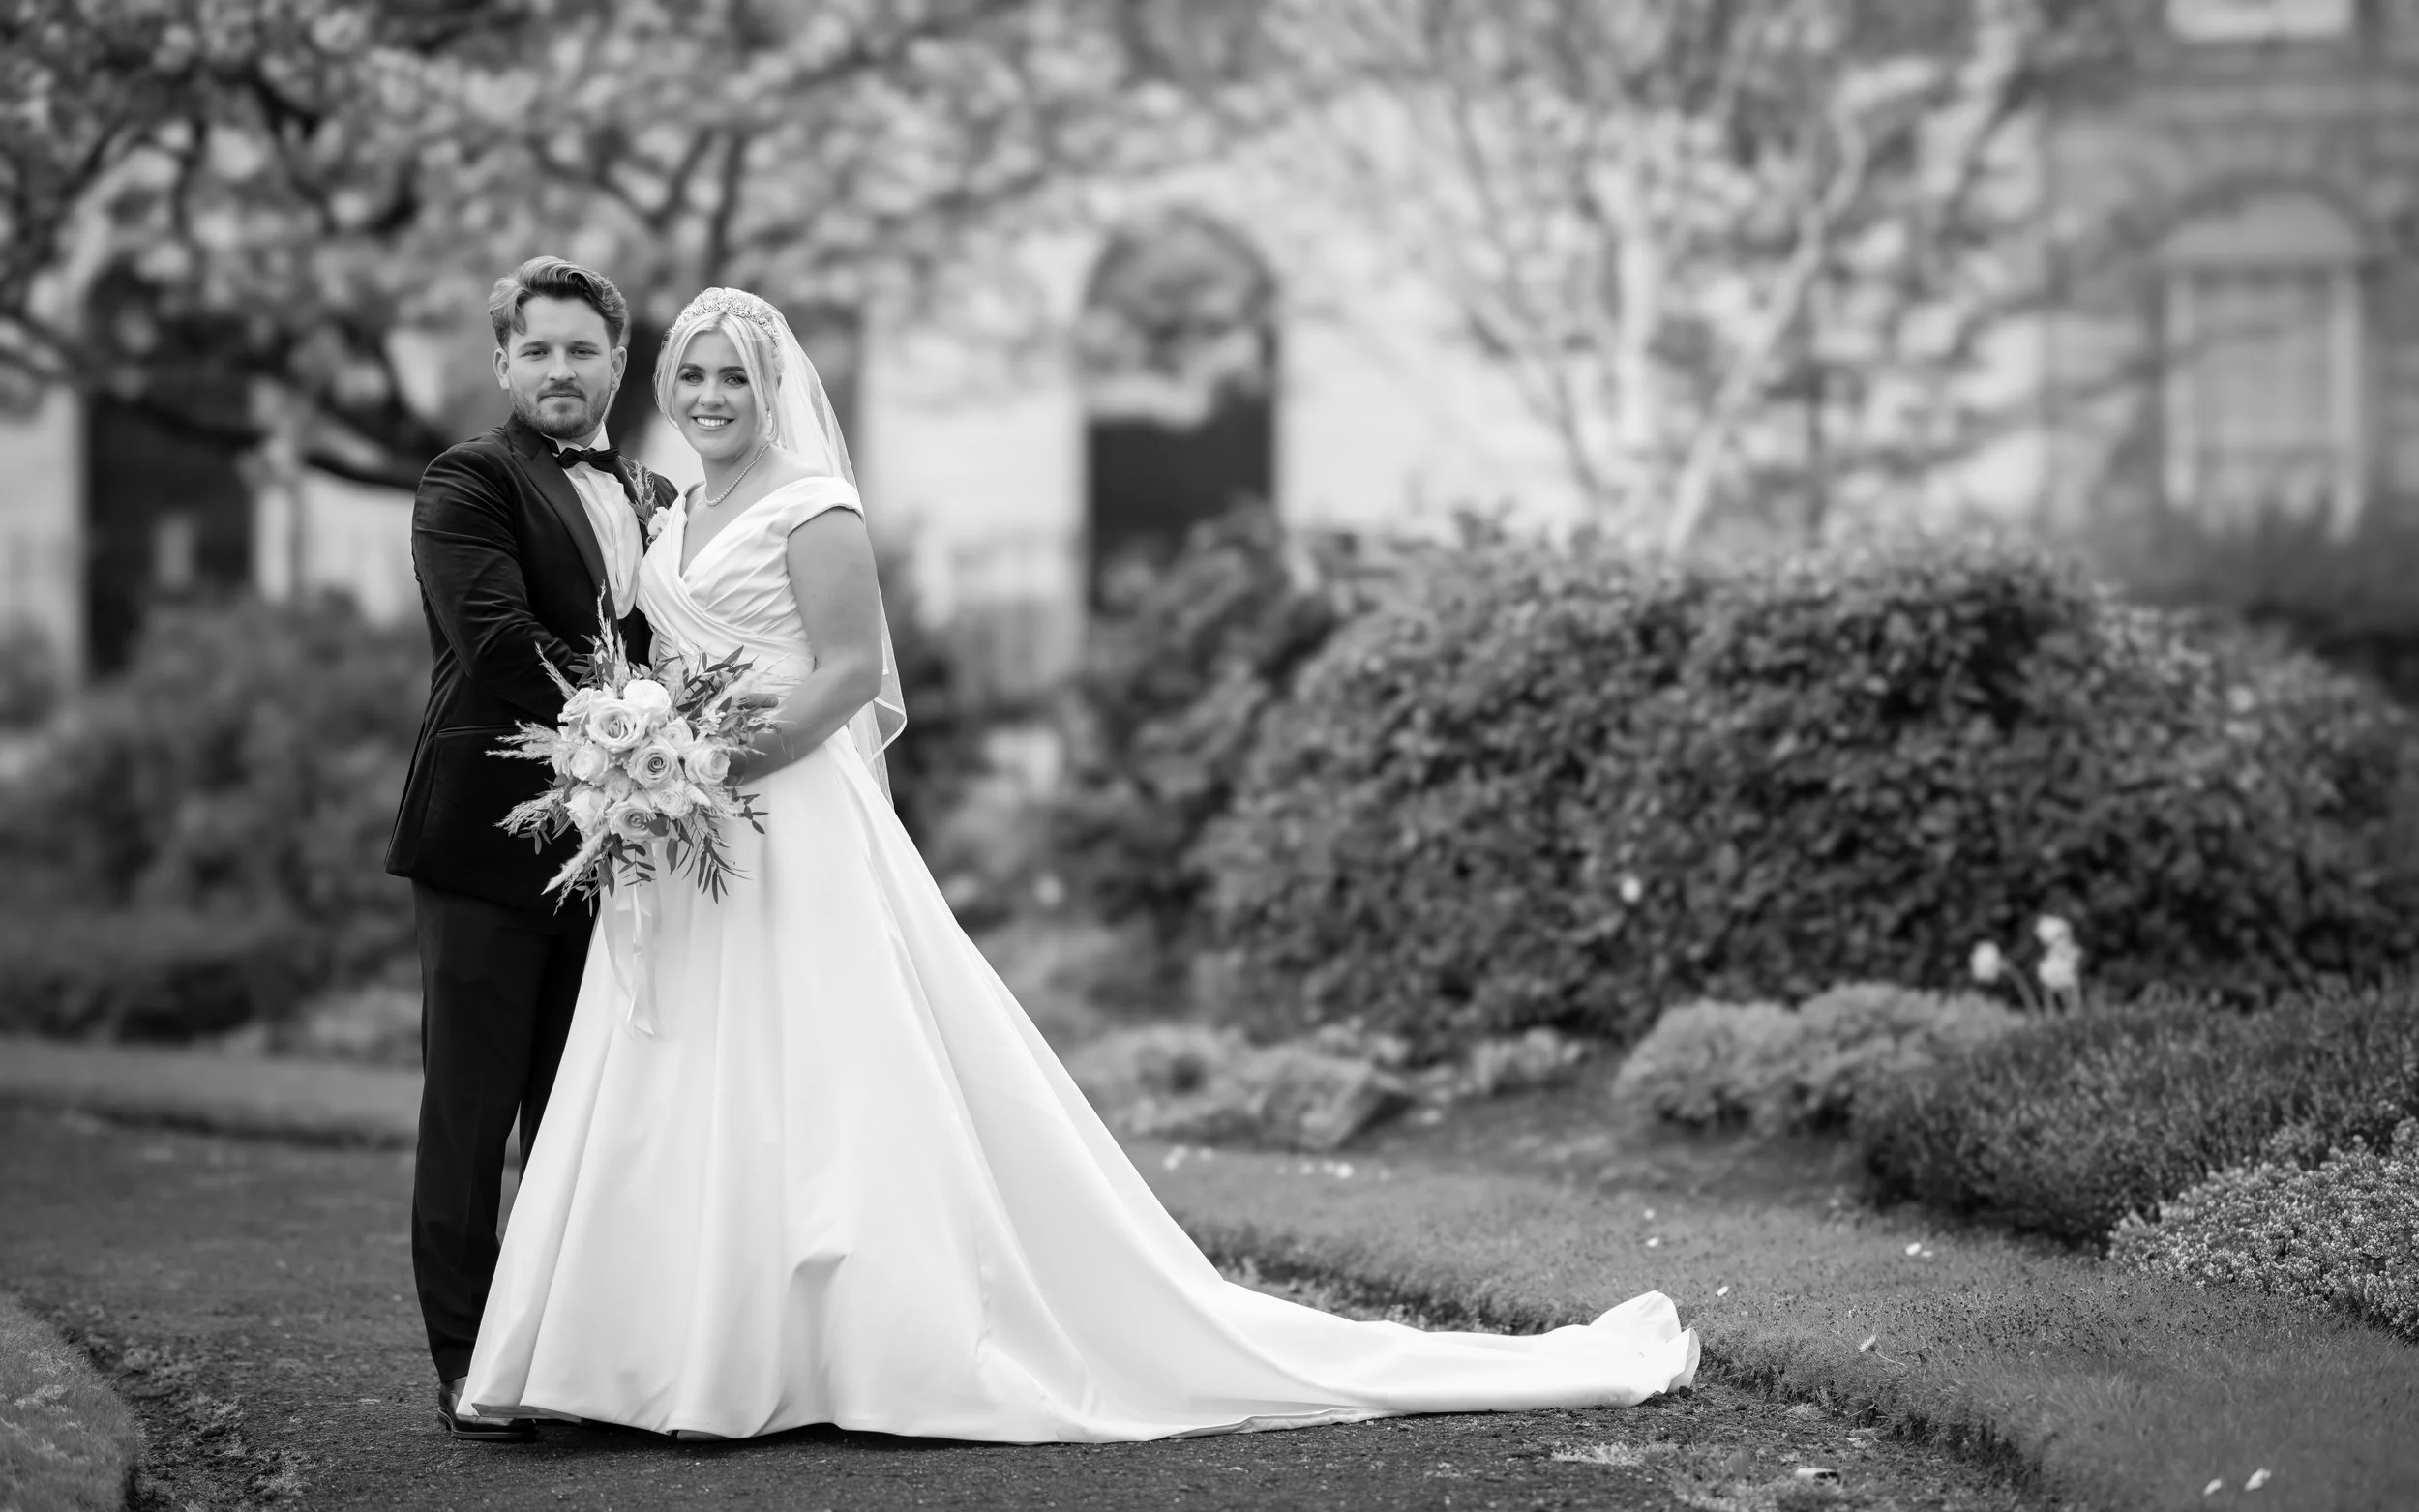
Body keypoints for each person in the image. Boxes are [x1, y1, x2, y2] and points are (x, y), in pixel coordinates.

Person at [458, 286, 1697, 1443]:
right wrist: (646, 752)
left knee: (831, 1064)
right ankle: (675, 1342)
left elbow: (843, 675)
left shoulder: (810, 506)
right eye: (693, 374)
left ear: (776, 387)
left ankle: (851, 1336)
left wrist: (718, 762)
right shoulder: (677, 508)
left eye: (735, 375)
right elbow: (658, 654)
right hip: (689, 831)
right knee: (695, 1070)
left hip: (788, 809)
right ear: (662, 385)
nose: (711, 395)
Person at [384, 256, 678, 1440]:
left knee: (576, 1117)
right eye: (538, 350)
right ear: (504, 363)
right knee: (470, 1114)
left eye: (582, 350)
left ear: (618, 362)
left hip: (620, 853)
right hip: (484, 846)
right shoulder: (466, 482)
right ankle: (468, 1371)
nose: (560, 369)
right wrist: (649, 717)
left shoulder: (660, 495)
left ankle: (558, 1359)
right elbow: (500, 644)